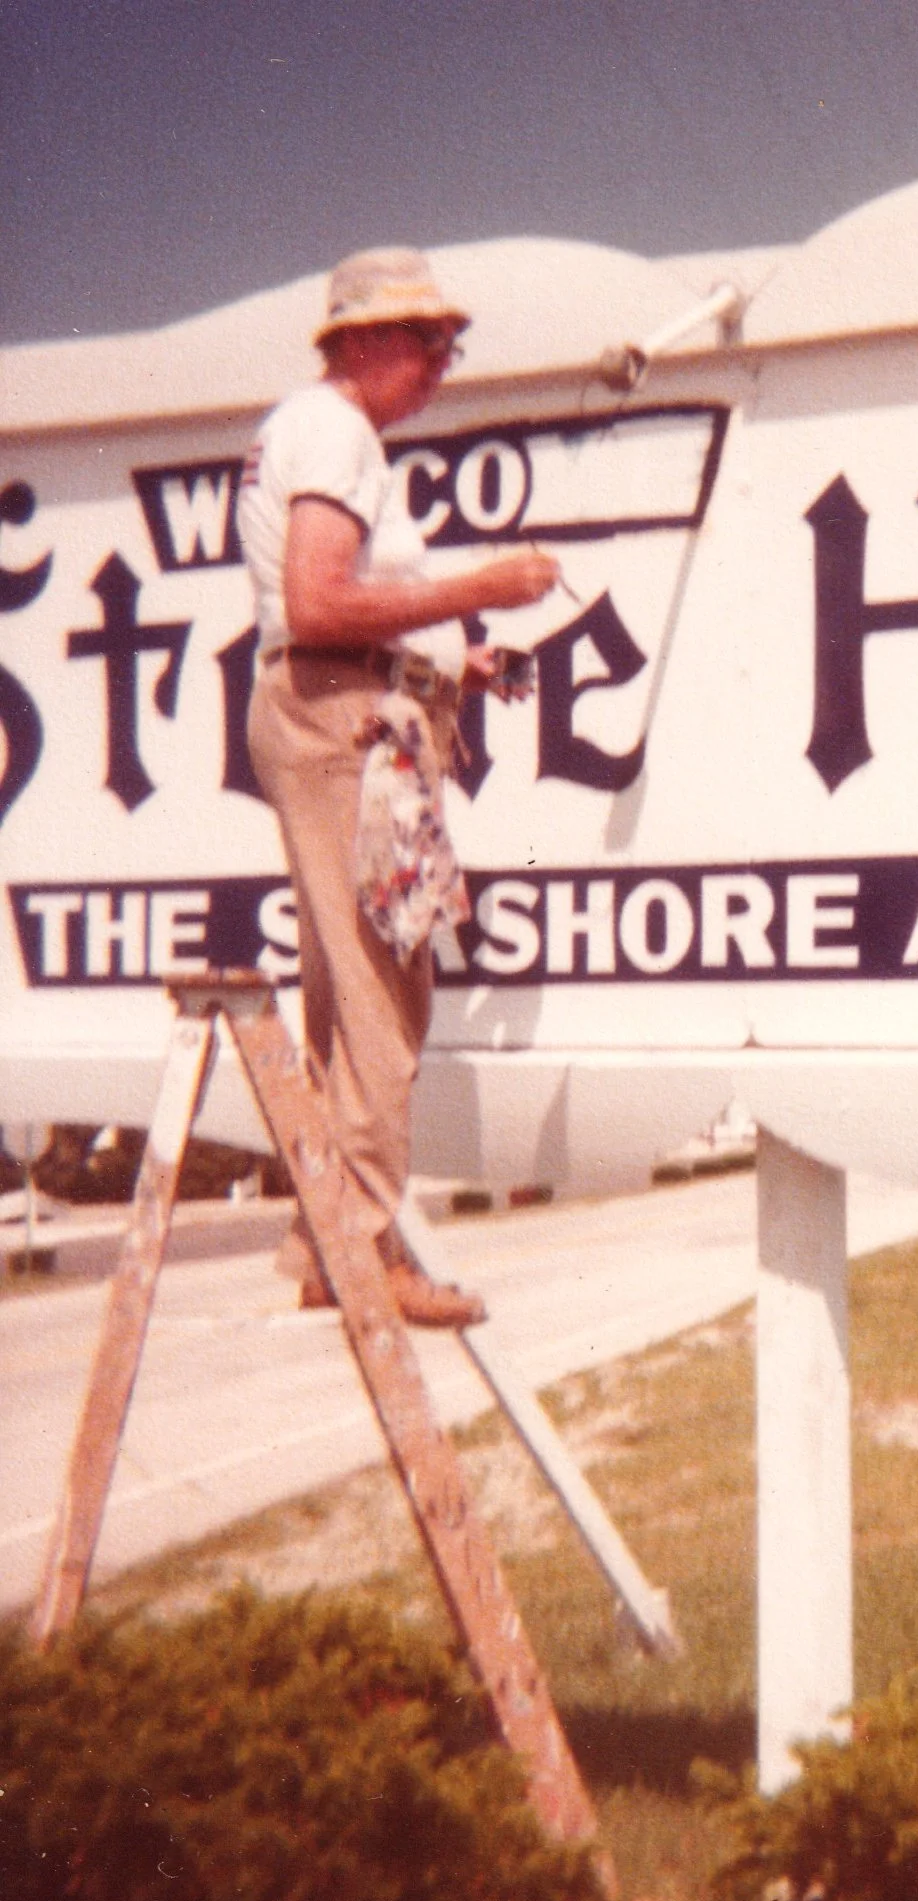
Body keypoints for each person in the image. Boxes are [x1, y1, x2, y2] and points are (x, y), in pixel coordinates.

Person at [238, 247, 557, 1325]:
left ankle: (332, 1238)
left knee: (350, 990)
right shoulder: (334, 432)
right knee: (383, 989)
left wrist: (452, 659)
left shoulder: (312, 430)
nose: (441, 364)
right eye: (429, 341)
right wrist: (481, 586)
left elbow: (328, 605)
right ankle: (361, 1248)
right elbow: (320, 603)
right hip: (342, 716)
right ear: (366, 338)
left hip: (334, 708)